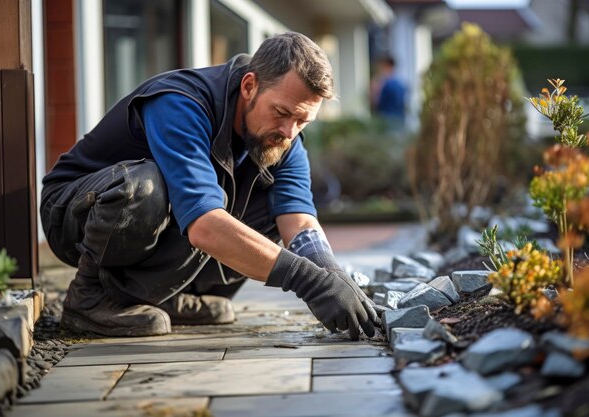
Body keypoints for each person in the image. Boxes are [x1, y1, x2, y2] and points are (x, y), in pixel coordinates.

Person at [40, 32, 383, 340]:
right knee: (153, 188)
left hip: (152, 217)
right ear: (249, 86)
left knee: (266, 210)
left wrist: (336, 278)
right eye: (281, 112)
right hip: (78, 212)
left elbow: (300, 222)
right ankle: (88, 299)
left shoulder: (284, 137)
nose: (289, 131)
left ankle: (164, 296)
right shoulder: (181, 103)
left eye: (302, 120)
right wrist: (310, 282)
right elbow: (205, 226)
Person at [372, 56, 406, 124]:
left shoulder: (385, 84)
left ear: (387, 66)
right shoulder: (401, 84)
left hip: (386, 121)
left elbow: (376, 103)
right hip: (399, 119)